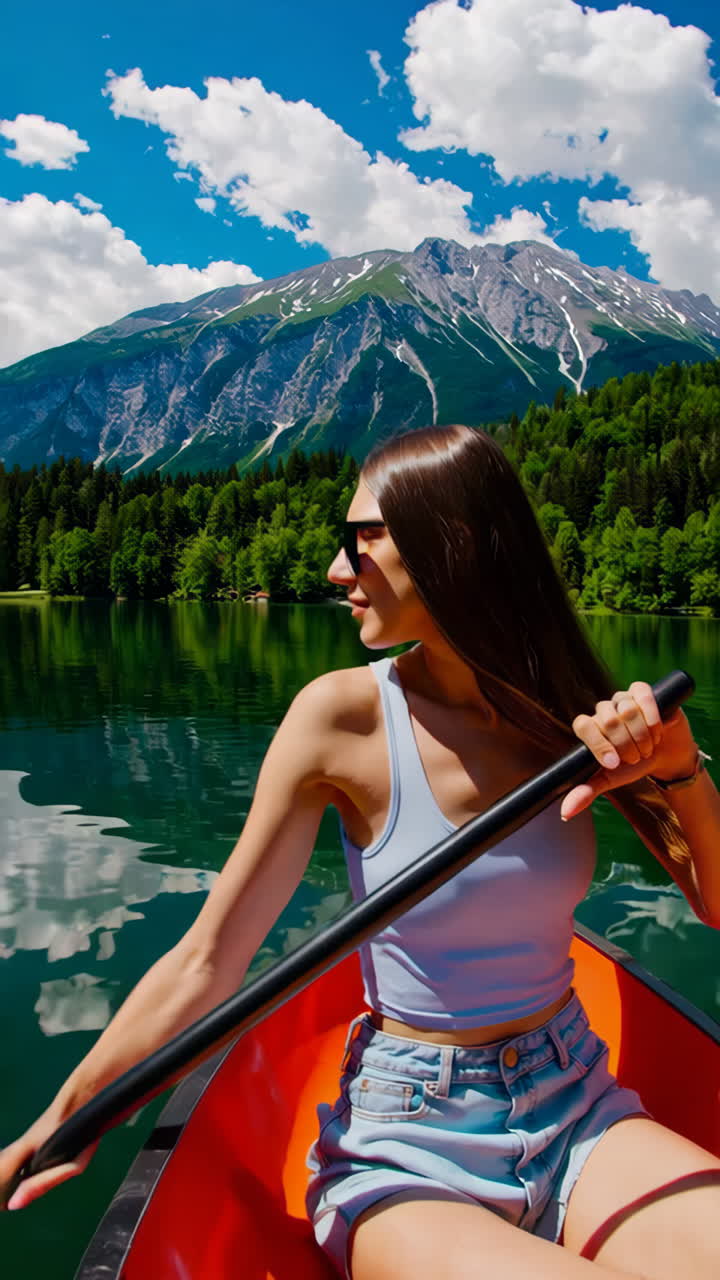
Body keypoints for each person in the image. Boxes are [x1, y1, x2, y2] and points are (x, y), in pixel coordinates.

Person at [1, 424, 719, 1280]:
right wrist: (70, 1112)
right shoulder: (339, 718)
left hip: (575, 1101)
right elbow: (207, 961)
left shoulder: (572, 716)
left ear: (450, 543)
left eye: (364, 539)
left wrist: (681, 772)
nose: (339, 570)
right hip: (407, 1141)